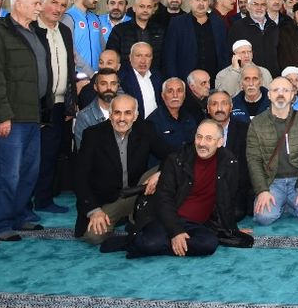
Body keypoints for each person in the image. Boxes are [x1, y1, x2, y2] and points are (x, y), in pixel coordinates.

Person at [125, 119, 253, 258]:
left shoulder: (229, 162)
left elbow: (227, 200)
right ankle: (155, 241)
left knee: (209, 244)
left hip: (197, 224)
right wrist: (176, 231)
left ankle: (163, 243)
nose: (202, 143)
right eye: (199, 137)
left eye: (208, 138)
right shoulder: (177, 160)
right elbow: (164, 198)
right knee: (151, 243)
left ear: (220, 142)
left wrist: (231, 229)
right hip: (167, 218)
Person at [0, 0, 52, 240]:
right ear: (19, 5)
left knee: (29, 171)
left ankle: (21, 215)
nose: (40, 8)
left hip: (33, 114)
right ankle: (2, 224)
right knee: (9, 174)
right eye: (36, 3)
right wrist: (2, 115)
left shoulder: (35, 31)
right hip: (11, 117)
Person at [73, 94, 168, 244]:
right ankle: (127, 217)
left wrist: (160, 174)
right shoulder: (93, 135)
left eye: (128, 113)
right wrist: (94, 210)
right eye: (117, 113)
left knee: (167, 169)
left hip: (137, 192)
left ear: (135, 116)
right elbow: (80, 177)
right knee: (93, 237)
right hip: (107, 200)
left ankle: (134, 215)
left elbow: (170, 154)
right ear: (110, 115)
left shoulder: (146, 129)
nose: (122, 118)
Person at [248, 77, 298, 225]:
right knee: (264, 218)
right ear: (269, 94)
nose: (280, 94)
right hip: (272, 181)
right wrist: (262, 190)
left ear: (292, 95)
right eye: (276, 90)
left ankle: (287, 204)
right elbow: (253, 160)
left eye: (285, 90)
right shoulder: (257, 122)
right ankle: (286, 204)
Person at [32, 0, 75, 214]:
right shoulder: (31, 29)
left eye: (62, 5)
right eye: (54, 3)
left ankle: (44, 199)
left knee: (51, 153)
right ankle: (27, 200)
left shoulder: (65, 31)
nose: (58, 9)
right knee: (32, 156)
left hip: (59, 105)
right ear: (42, 3)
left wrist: (70, 103)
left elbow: (69, 67)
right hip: (36, 105)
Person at [163, 0, 229, 83]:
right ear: (190, 2)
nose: (201, 4)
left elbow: (224, 53)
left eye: (204, 0)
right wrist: (174, 81)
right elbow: (170, 55)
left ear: (208, 3)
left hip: (214, 82)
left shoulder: (219, 23)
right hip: (186, 82)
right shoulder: (177, 23)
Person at [106, 0, 166, 72]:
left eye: (149, 7)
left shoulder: (160, 31)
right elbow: (111, 56)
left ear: (153, 10)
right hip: (125, 76)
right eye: (141, 6)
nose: (145, 10)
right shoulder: (119, 30)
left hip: (153, 76)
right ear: (134, 8)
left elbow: (165, 57)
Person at [73, 66, 119, 148]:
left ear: (118, 86)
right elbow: (84, 152)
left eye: (113, 83)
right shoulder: (84, 117)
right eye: (103, 84)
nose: (109, 88)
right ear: (95, 87)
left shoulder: (128, 112)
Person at [66, 0, 104, 75]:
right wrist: (89, 72)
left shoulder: (95, 18)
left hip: (97, 75)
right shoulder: (68, 17)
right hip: (78, 76)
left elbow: (103, 46)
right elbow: (70, 50)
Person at [149, 77, 198, 150]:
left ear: (184, 95)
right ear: (163, 95)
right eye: (170, 91)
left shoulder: (190, 117)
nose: (175, 95)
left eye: (179, 91)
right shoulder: (152, 122)